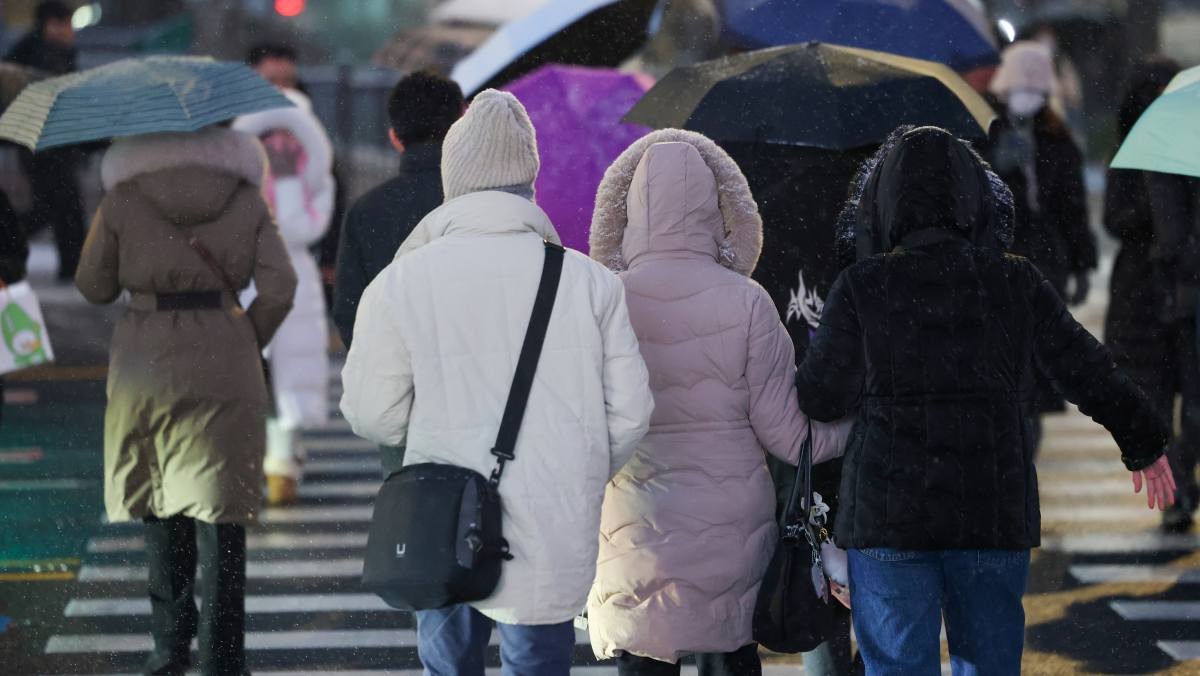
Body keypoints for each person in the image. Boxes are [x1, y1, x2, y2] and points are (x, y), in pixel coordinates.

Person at [795, 126, 1175, 676]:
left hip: (888, 512)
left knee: (899, 667)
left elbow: (820, 396)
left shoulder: (863, 285)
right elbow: (1085, 366)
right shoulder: (1013, 281)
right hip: (989, 510)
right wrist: (1143, 440)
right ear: (975, 200)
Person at [340, 89, 653, 676]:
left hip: (440, 516)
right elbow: (631, 411)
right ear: (529, 180)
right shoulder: (588, 283)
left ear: (453, 176)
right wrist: (577, 467)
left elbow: (370, 412)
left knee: (449, 663)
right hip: (551, 517)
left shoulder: (401, 281)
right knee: (537, 663)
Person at [584, 129, 852, 675]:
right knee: (730, 655)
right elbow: (787, 437)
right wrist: (853, 428)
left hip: (634, 520)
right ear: (719, 209)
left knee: (644, 652)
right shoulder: (748, 303)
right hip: (732, 527)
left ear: (629, 210)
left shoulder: (603, 299)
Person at [75, 126, 297, 676]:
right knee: (222, 508)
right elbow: (280, 286)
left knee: (158, 499)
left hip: (145, 357)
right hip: (224, 350)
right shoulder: (244, 196)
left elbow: (93, 285)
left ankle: (168, 648)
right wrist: (247, 336)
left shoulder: (125, 194)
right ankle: (223, 656)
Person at [1103, 58, 1198, 534]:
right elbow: (1115, 218)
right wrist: (1156, 213)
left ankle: (1181, 477)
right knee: (1155, 402)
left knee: (1195, 404)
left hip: (1184, 290)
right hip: (1143, 295)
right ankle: (1177, 489)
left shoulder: (1189, 148)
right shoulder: (1133, 151)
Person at [986, 40, 1097, 443]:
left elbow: (1072, 208)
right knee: (1010, 366)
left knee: (1032, 369)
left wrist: (1083, 262)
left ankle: (1023, 441)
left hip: (1042, 263)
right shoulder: (989, 133)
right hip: (1001, 262)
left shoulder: (1057, 139)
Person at [235, 82, 336, 507]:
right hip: (260, 274)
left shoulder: (310, 180)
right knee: (262, 371)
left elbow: (296, 229)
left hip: (278, 275)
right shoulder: (247, 179)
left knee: (281, 373)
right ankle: (268, 463)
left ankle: (275, 463)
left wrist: (289, 182)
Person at [333, 70, 463, 348]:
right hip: (477, 379)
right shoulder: (479, 201)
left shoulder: (366, 212)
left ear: (394, 137)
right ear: (461, 124)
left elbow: (350, 314)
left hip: (397, 372)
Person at [5, 0, 84, 281]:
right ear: (51, 25)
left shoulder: (46, 51)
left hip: (49, 145)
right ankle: (71, 269)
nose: (71, 31)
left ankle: (71, 269)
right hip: (44, 146)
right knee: (60, 210)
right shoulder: (42, 53)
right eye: (66, 24)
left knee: (57, 210)